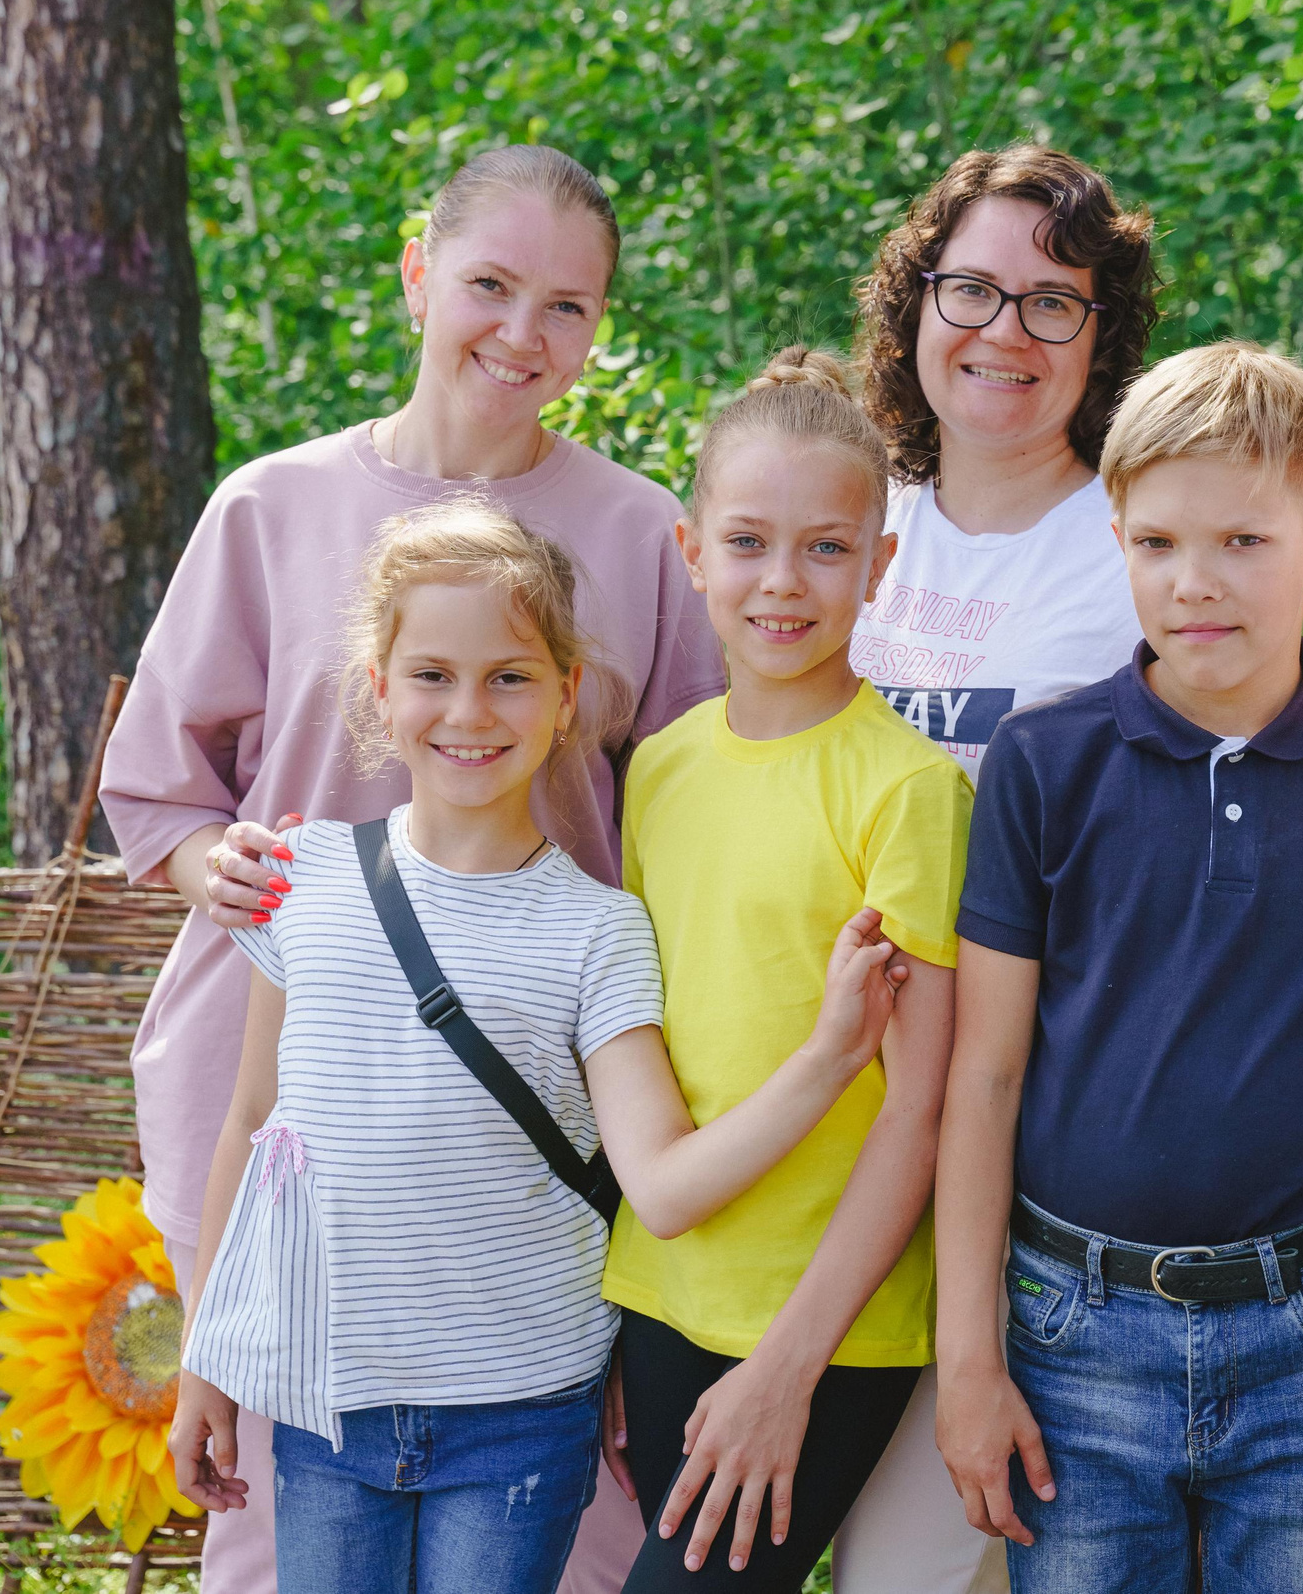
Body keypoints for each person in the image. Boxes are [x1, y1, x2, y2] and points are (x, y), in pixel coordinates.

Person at [99, 144, 718, 1593]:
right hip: (288, 1080)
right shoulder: (269, 505)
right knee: (278, 1486)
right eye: (490, 283)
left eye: (568, 305)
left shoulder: (641, 533)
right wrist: (207, 858)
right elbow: (158, 780)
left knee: (564, 1486)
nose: (522, 331)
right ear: (415, 272)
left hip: (532, 1091)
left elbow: (692, 801)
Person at [167, 503, 906, 1594]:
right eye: (431, 674)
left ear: (567, 698)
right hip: (328, 1409)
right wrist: (206, 1364)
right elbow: (252, 1127)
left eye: (510, 676)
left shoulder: (599, 930)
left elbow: (661, 1183)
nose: (469, 710)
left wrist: (830, 1058)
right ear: (379, 687)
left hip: (518, 1419)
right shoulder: (301, 883)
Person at [934, 342, 1303, 1592]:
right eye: (1156, 546)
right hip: (1075, 1332)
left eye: (1243, 543)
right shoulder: (1044, 762)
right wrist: (969, 1358)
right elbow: (983, 1072)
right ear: (1119, 543)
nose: (1196, 584)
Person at [600, 349, 973, 1594]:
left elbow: (920, 1110)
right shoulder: (659, 767)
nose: (781, 582)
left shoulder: (909, 792)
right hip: (660, 1293)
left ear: (878, 566)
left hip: (824, 1326)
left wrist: (787, 1367)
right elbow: (646, 1033)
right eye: (748, 541)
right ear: (690, 548)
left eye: (825, 549)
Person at [848, 144, 1156, 781]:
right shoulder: (839, 517)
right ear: (916, 307)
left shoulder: (1150, 555)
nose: (1005, 332)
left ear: (1101, 338)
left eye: (1051, 302)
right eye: (971, 289)